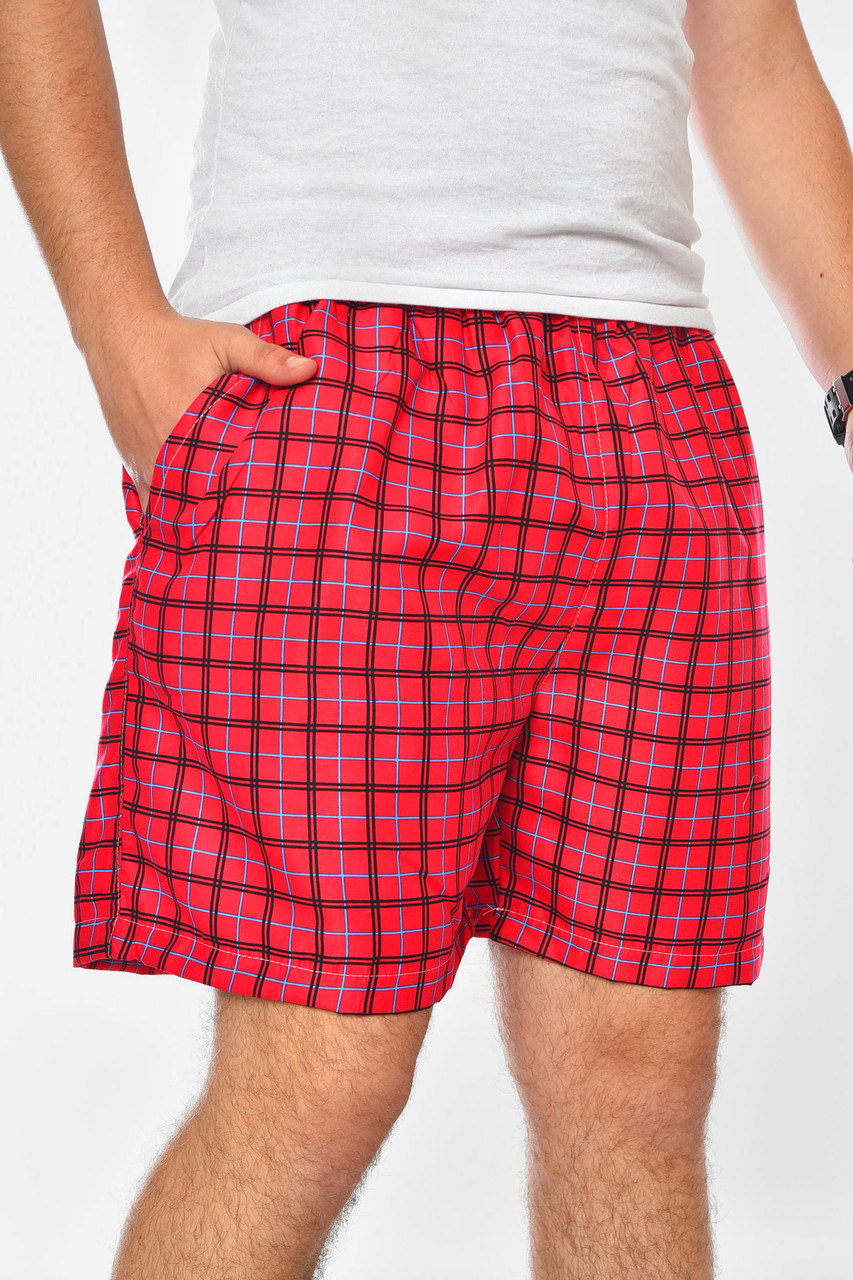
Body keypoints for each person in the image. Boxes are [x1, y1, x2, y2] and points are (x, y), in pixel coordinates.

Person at [1, 0, 850, 1276]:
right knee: (319, 1073)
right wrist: (112, 321)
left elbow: (751, 48)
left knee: (637, 1082)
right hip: (334, 381)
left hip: (653, 399)